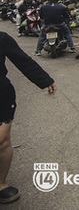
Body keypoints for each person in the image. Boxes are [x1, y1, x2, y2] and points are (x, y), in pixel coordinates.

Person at [0, 31, 56, 204]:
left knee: (2, 141)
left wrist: (45, 80)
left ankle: (1, 183)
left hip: (1, 95)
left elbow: (22, 60)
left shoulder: (1, 38)